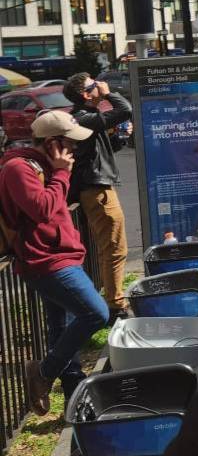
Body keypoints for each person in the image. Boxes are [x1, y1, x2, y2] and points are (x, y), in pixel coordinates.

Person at [0, 111, 107, 412]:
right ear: (51, 143)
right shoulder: (17, 168)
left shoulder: (46, 165)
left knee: (62, 326)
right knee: (95, 313)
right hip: (44, 260)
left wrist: (60, 171)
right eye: (69, 143)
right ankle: (43, 373)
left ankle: (74, 395)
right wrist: (61, 172)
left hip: (62, 254)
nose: (74, 148)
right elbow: (42, 209)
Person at [63, 72, 132, 322]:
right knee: (114, 247)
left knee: (113, 246)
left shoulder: (87, 118)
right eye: (94, 85)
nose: (100, 86)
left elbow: (102, 149)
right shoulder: (82, 117)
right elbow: (125, 109)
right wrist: (108, 93)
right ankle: (116, 306)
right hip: (97, 189)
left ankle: (112, 300)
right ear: (85, 94)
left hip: (98, 186)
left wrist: (121, 138)